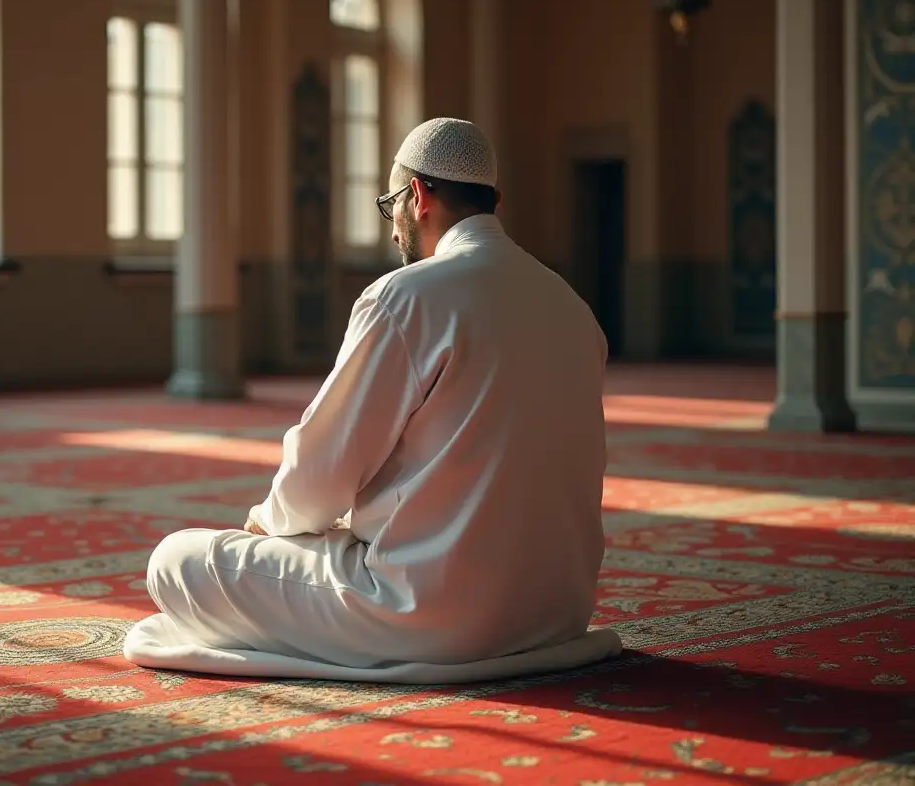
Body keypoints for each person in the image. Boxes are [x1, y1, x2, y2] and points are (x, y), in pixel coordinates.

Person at [124, 117, 622, 683]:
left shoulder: (406, 296)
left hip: (428, 611)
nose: (392, 231)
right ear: (494, 202)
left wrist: (267, 524)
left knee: (175, 560)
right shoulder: (572, 306)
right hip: (555, 611)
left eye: (391, 206)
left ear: (417, 194)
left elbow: (318, 475)